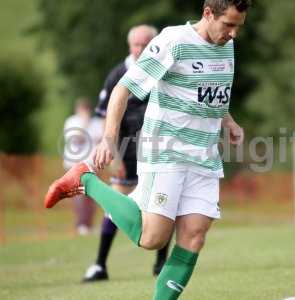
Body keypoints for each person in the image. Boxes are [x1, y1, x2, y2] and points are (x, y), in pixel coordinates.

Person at [45, 1, 250, 299]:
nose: (233, 34)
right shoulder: (174, 41)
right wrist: (109, 139)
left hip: (204, 156)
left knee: (194, 237)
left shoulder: (226, 46)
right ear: (208, 14)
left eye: (238, 26)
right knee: (152, 238)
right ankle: (85, 180)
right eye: (228, 25)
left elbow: (212, 94)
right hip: (166, 150)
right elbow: (123, 88)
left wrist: (229, 121)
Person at [82, 24, 171, 282]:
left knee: (164, 204)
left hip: (158, 150)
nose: (142, 49)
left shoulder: (164, 70)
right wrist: (113, 153)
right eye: (137, 44)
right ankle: (100, 265)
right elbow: (102, 117)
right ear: (129, 45)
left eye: (147, 44)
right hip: (125, 152)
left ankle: (161, 264)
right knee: (116, 207)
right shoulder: (118, 74)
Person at [63, 98, 103, 235]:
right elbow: (77, 139)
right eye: (83, 109)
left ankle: (89, 224)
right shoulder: (71, 122)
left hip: (91, 165)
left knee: (92, 196)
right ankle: (81, 224)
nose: (85, 112)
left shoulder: (96, 123)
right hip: (75, 165)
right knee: (79, 195)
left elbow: (101, 140)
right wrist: (84, 124)